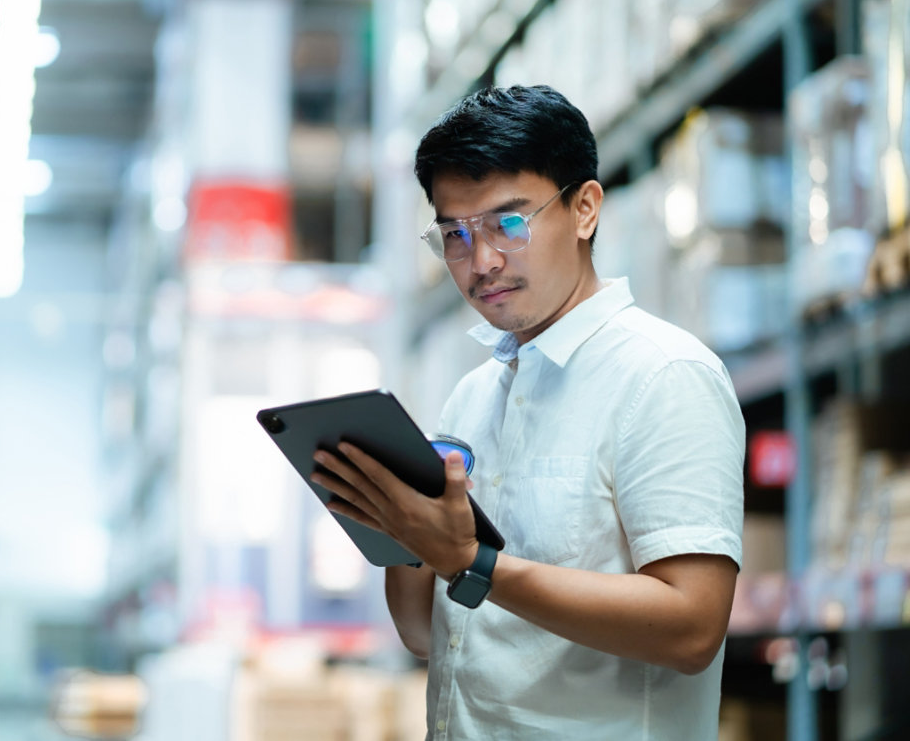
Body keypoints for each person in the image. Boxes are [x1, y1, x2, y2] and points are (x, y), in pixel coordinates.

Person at [311, 84, 744, 740]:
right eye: (455, 235)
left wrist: (472, 561)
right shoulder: (473, 397)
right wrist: (403, 533)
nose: (481, 261)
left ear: (585, 210)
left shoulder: (664, 376)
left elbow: (693, 627)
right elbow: (422, 634)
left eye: (509, 223)